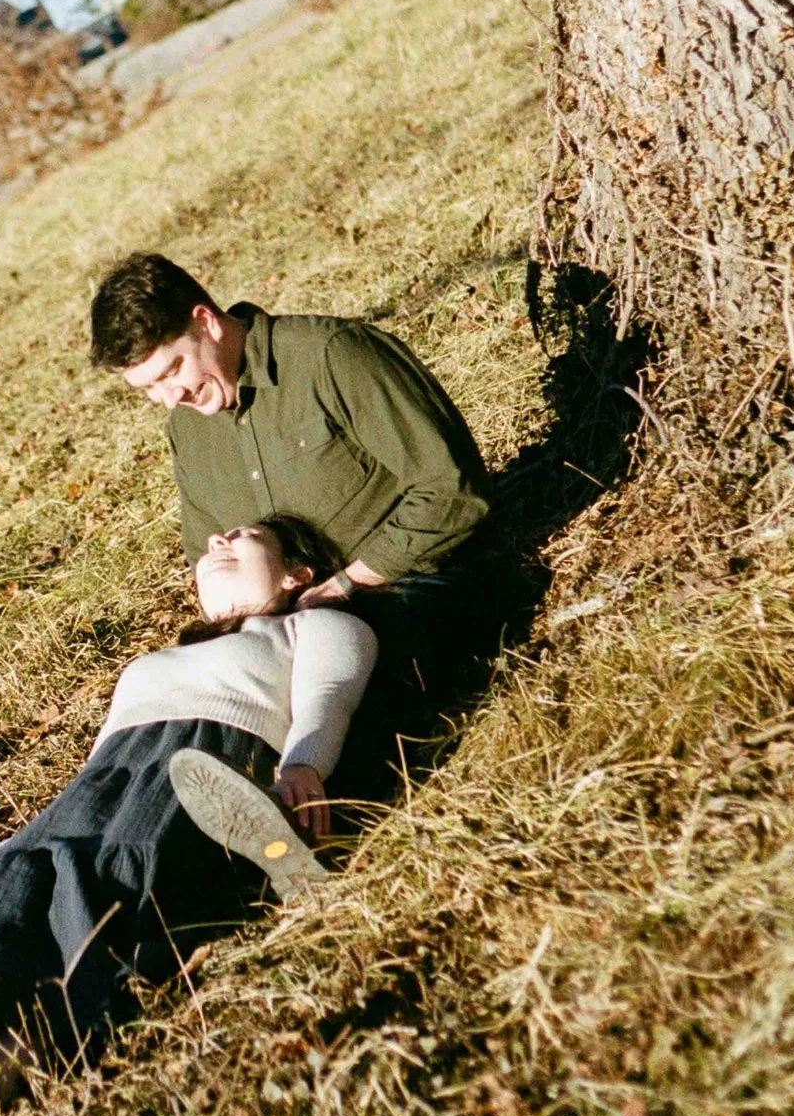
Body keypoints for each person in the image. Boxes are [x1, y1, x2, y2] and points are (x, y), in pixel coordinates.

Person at [0, 516, 377, 1116]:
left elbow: (329, 698)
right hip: (105, 779)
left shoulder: (317, 626)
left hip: (202, 773)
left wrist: (302, 768)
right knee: (11, 874)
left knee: (100, 882)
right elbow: (75, 794)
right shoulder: (152, 663)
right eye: (214, 539)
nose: (218, 541)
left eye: (244, 534)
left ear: (297, 574)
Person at [88, 253, 498, 746]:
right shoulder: (187, 429)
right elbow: (202, 553)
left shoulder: (333, 356)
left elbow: (453, 490)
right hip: (283, 632)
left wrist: (347, 582)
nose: (170, 398)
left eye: (172, 370)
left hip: (406, 585)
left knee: (351, 695)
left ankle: (294, 782)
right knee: (182, 713)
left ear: (206, 322)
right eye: (148, 388)